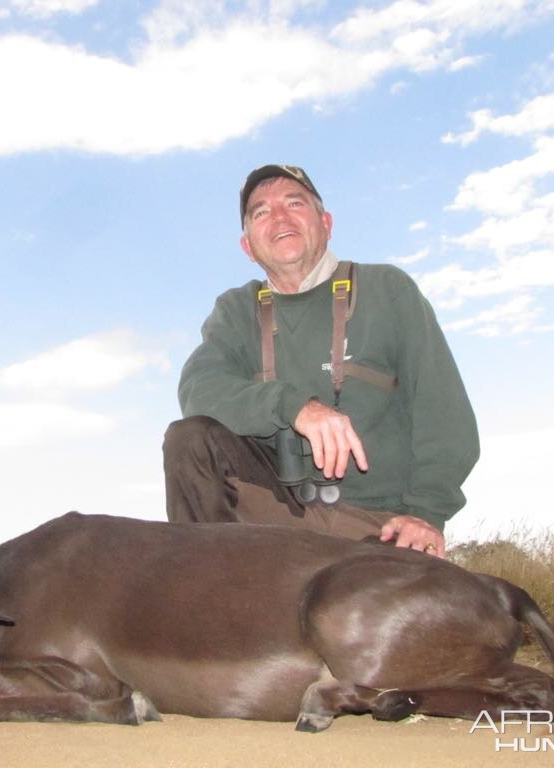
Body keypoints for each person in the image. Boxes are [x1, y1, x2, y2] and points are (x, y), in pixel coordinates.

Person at [163, 164, 479, 557]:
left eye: (294, 203)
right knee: (189, 439)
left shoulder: (387, 289)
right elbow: (199, 388)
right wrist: (294, 407)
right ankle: (205, 588)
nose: (279, 217)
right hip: (276, 513)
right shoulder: (235, 309)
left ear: (326, 223)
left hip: (375, 523)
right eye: (260, 212)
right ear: (248, 246)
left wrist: (427, 513)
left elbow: (444, 412)